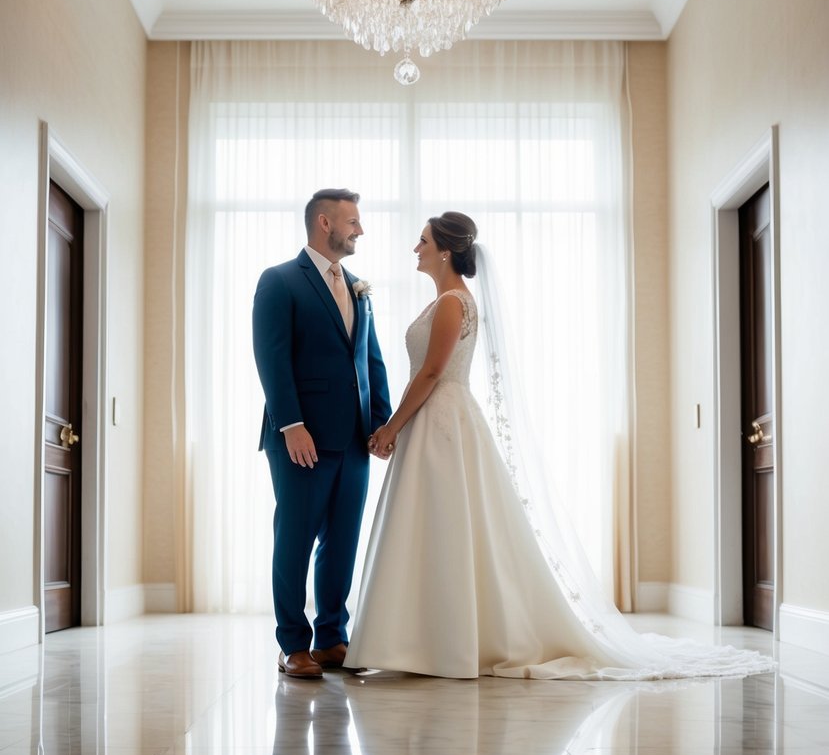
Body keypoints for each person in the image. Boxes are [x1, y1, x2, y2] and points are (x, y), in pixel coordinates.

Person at [345, 212, 774, 680]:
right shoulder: (447, 300)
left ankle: (442, 642)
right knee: (433, 526)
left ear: (446, 249)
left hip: (442, 420)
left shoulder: (452, 303)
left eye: (422, 240)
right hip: (435, 420)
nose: (416, 248)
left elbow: (431, 373)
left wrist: (390, 428)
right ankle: (421, 639)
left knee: (447, 525)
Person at [253, 189, 391, 680]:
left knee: (342, 541)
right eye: (352, 221)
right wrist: (291, 425)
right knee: (294, 539)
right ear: (324, 222)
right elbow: (272, 358)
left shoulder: (357, 287)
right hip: (301, 439)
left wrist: (382, 423)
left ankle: (332, 636)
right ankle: (293, 644)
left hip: (353, 439)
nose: (360, 230)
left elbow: (370, 361)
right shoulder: (280, 281)